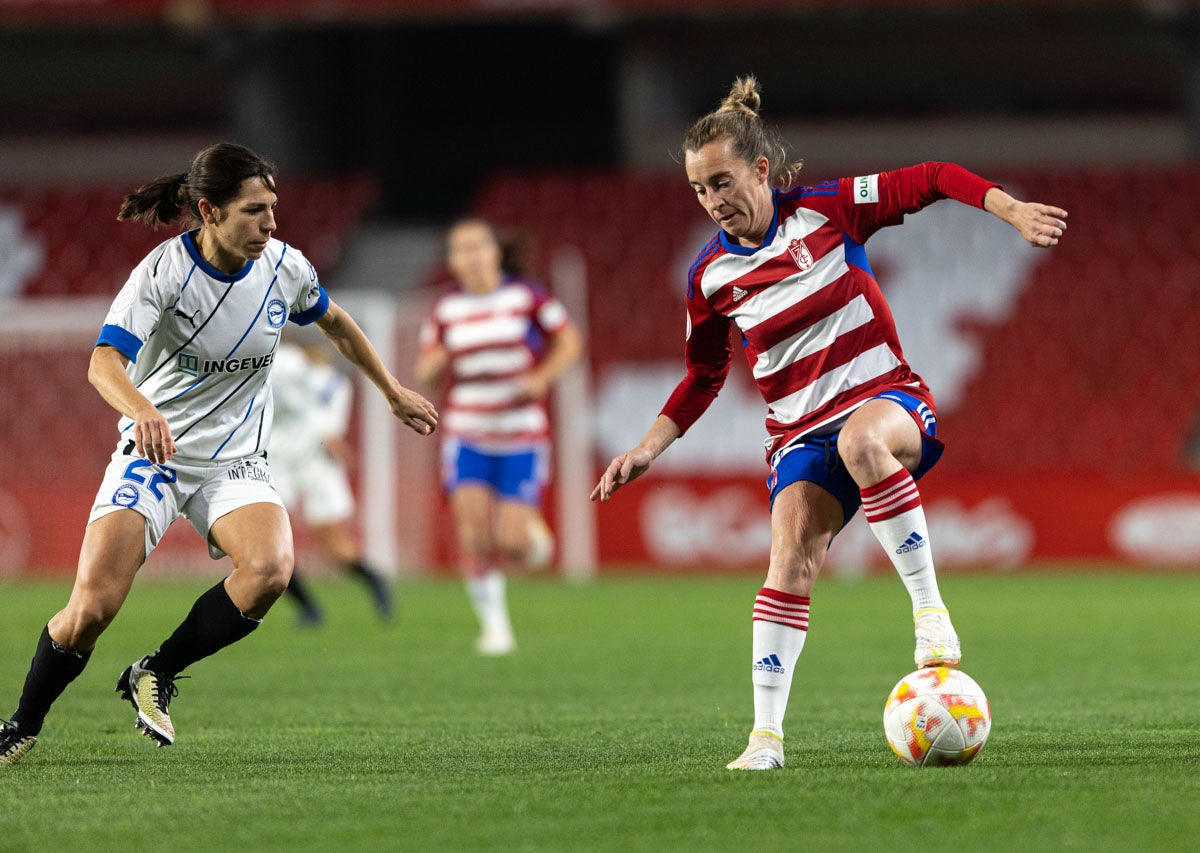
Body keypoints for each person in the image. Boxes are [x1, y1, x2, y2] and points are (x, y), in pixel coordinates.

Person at [591, 76, 1067, 770]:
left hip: (888, 400)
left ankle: (930, 614)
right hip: (798, 435)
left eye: (722, 181)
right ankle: (765, 739)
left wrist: (1011, 209)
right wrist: (646, 448)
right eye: (698, 189)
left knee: (860, 439)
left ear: (760, 170)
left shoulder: (828, 210)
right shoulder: (710, 278)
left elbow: (933, 176)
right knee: (789, 560)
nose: (712, 200)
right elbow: (703, 374)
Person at [0, 143, 437, 766]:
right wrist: (142, 410)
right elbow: (103, 363)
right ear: (209, 211)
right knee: (91, 610)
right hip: (155, 455)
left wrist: (391, 391)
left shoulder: (284, 268)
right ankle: (20, 725)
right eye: (254, 211)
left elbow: (336, 323)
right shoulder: (163, 273)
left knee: (270, 571)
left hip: (235, 460)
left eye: (273, 208)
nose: (271, 224)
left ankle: (155, 670)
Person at [416, 218, 582, 655]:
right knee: (473, 536)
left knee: (514, 545)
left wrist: (541, 378)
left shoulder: (527, 296)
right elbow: (425, 371)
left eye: (477, 247)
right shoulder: (445, 310)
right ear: (452, 261)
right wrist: (438, 359)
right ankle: (495, 628)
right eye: (460, 249)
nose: (470, 257)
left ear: (494, 253)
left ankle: (531, 536)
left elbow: (569, 341)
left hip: (520, 434)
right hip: (467, 433)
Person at [269, 336, 393, 625]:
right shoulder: (291, 365)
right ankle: (310, 606)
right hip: (279, 460)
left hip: (312, 459)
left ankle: (371, 581)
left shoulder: (325, 378)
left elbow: (328, 430)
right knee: (273, 545)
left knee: (328, 544)